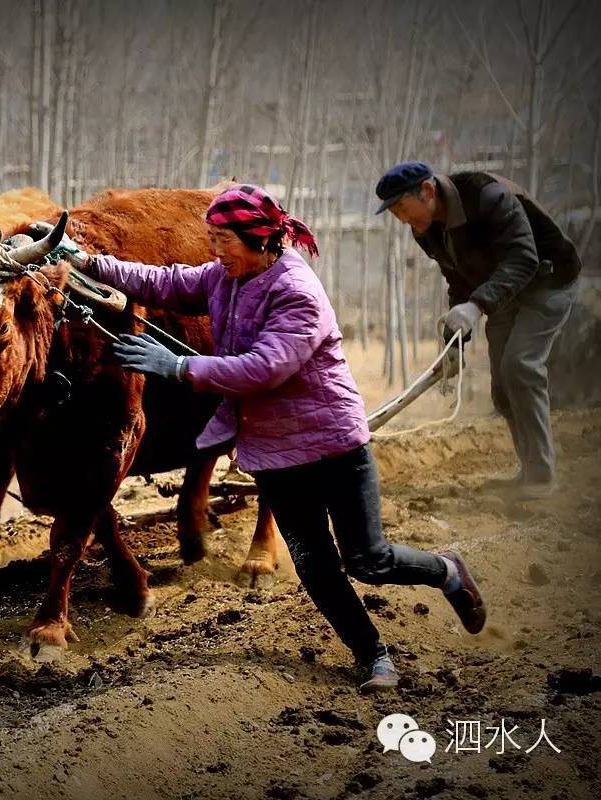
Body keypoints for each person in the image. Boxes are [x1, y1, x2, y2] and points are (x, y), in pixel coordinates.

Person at [61, 183, 487, 692]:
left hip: (332, 446)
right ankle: (374, 657)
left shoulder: (296, 291)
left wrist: (176, 366)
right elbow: (162, 281)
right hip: (273, 452)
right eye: (212, 239)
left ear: (261, 239)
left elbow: (265, 368)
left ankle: (446, 570)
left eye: (224, 240)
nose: (215, 251)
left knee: (367, 560)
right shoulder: (226, 278)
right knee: (314, 566)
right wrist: (83, 259)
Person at [376, 161, 581, 499]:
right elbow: (457, 278)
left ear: (427, 190)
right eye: (395, 212)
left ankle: (542, 478)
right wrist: (454, 344)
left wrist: (477, 306)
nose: (401, 219)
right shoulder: (424, 229)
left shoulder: (487, 196)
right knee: (502, 383)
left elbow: (524, 258)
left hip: (549, 279)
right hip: (502, 293)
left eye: (401, 207)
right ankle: (529, 472)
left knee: (520, 366)